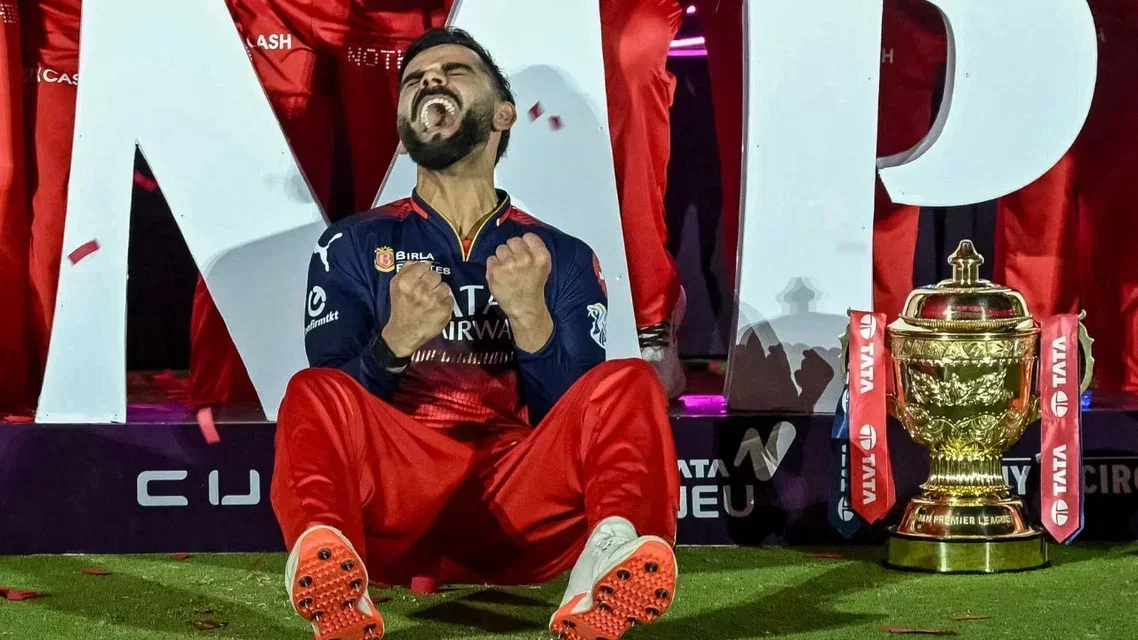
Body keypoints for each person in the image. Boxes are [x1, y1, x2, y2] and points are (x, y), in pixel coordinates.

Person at [272, 27, 681, 640]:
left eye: (453, 71)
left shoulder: (562, 254)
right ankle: (336, 586)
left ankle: (604, 567)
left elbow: (573, 417)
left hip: (519, 505)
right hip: (395, 510)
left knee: (629, 382)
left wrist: (533, 323)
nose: (430, 81)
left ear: (504, 113)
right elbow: (335, 408)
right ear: (405, 127)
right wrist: (394, 343)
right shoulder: (350, 244)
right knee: (311, 390)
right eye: (414, 79)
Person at [190, 0, 454, 410]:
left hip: (395, 18)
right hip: (275, 14)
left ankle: (435, 389)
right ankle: (231, 405)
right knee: (263, 208)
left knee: (409, 197)